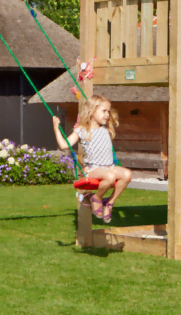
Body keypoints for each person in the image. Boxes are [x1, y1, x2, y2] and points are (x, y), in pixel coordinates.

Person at [52, 95, 132, 223]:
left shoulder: (106, 128)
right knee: (110, 177)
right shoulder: (82, 130)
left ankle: (110, 203)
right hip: (93, 169)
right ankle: (97, 198)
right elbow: (64, 145)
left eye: (108, 111)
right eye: (104, 111)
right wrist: (56, 127)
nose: (107, 114)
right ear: (92, 111)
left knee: (127, 174)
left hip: (109, 166)